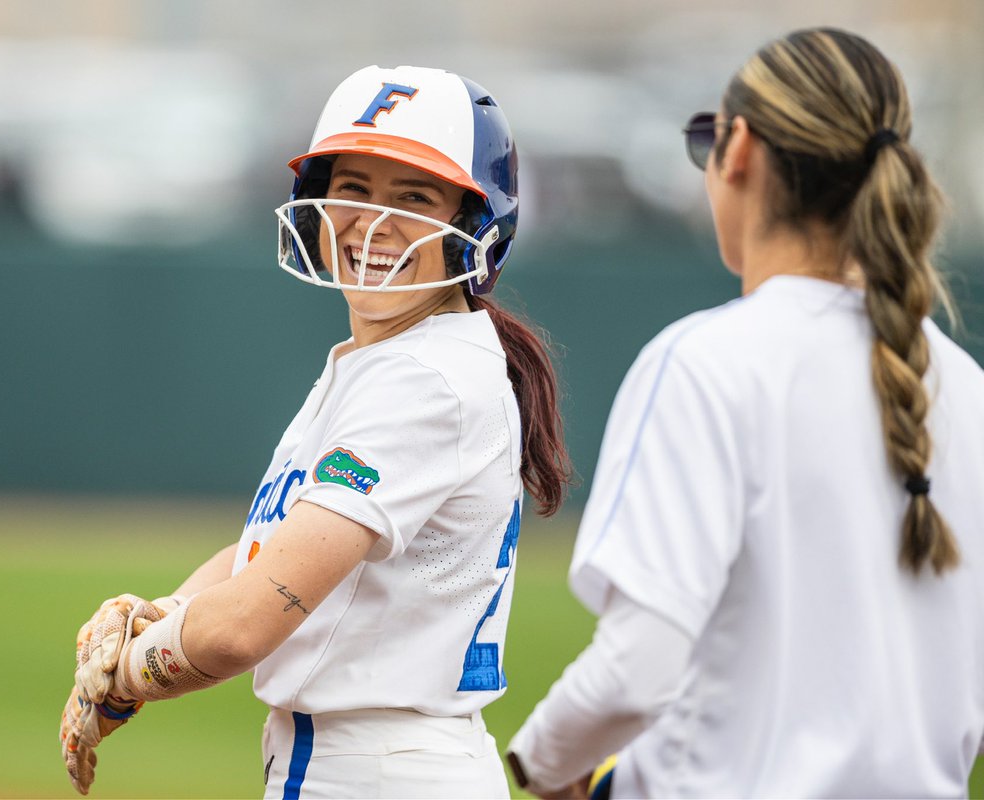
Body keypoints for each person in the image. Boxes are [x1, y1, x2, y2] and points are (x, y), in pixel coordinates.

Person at [58, 64, 573, 799]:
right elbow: (273, 546)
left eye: (414, 197)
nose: (374, 222)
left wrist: (126, 677)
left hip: (383, 772)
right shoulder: (388, 359)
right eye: (354, 190)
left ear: (473, 225)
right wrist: (168, 611)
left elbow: (245, 627)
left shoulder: (420, 379)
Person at [504, 27, 984, 799]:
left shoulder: (706, 361)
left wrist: (539, 763)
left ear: (743, 152)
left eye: (708, 141)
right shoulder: (964, 384)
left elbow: (639, 666)